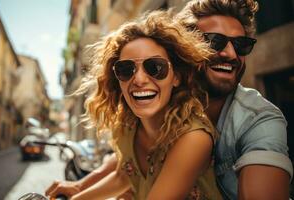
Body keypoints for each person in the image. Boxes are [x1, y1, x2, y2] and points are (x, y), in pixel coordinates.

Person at [46, 0, 293, 199]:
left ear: (174, 71)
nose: (229, 53)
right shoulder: (158, 104)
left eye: (240, 45)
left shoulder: (258, 119)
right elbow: (127, 164)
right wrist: (80, 189)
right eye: (214, 42)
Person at [56, 10, 223, 200]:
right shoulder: (128, 127)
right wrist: (78, 195)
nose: (139, 79)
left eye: (155, 67)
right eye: (126, 70)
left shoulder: (193, 139)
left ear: (176, 77)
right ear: (117, 79)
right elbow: (124, 176)